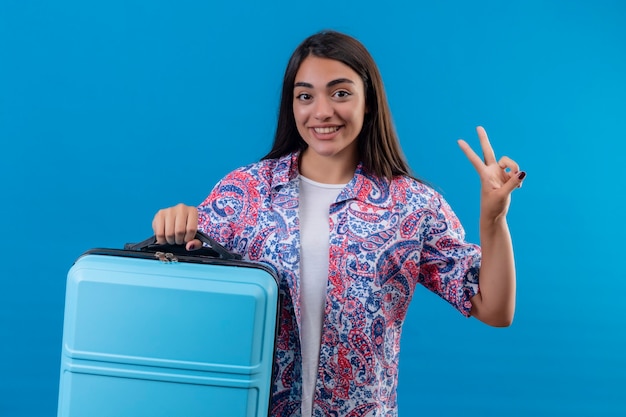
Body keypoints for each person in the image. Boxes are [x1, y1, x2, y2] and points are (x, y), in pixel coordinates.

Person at [152, 30, 525, 417]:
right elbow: (186, 289)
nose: (322, 111)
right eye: (305, 95)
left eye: (340, 93)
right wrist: (176, 226)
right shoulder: (246, 191)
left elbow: (494, 310)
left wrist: (493, 220)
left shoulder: (413, 205)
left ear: (369, 103)